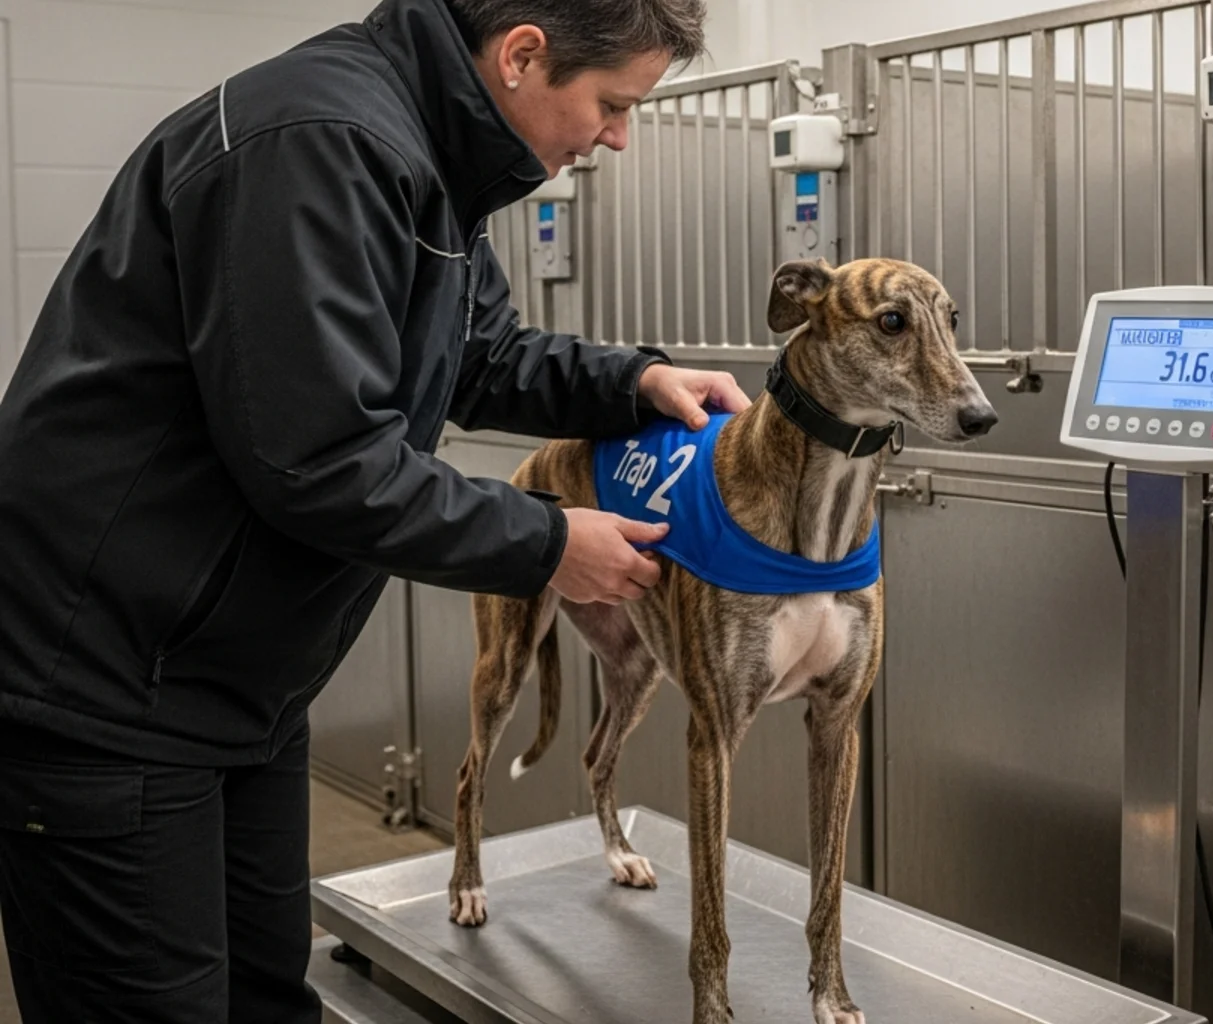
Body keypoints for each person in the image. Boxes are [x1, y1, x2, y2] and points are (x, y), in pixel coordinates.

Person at [0, 0, 747, 1019]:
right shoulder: (322, 141)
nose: (617, 135)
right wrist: (543, 544)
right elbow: (316, 458)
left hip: (237, 681)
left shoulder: (428, 157)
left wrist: (633, 382)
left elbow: (476, 355)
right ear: (524, 54)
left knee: (269, 993)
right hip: (111, 683)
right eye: (613, 104)